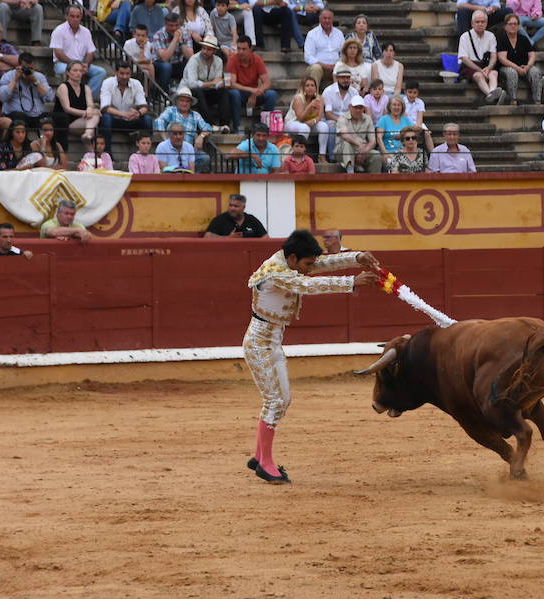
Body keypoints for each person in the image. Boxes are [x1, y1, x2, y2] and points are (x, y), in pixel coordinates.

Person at [243, 229, 379, 484]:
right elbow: (307, 284)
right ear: (292, 258)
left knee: (278, 400)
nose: (309, 268)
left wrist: (357, 257)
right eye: (306, 264)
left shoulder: (290, 261)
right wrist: (351, 282)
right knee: (277, 400)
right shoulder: (276, 271)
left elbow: (322, 262)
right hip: (260, 343)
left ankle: (260, 456)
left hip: (270, 340)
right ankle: (265, 463)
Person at [49, 4, 107, 97]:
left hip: (81, 63)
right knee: (70, 70)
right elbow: (58, 53)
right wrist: (74, 64)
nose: (75, 19)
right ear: (66, 16)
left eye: (78, 16)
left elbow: (90, 52)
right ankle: (70, 97)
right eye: (72, 16)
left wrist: (86, 64)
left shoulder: (86, 32)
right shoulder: (59, 30)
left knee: (101, 72)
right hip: (63, 63)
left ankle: (86, 97)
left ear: (81, 17)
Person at [154, 87, 212, 172]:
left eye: (187, 101)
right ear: (177, 101)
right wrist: (165, 138)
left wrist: (201, 136)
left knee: (205, 158)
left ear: (191, 103)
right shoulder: (171, 111)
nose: (185, 103)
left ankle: (192, 177)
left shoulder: (195, 115)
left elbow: (208, 127)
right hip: (171, 148)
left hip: (189, 149)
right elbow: (159, 121)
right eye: (182, 100)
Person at [100, 62, 153, 155]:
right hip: (115, 120)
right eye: (122, 73)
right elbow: (105, 108)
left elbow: (144, 107)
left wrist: (138, 113)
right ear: (116, 72)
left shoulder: (136, 84)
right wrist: (124, 114)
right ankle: (106, 153)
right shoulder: (107, 83)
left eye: (127, 74)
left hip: (132, 119)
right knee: (106, 118)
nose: (125, 76)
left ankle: (146, 152)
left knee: (147, 119)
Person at [228, 37, 278, 134]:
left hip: (255, 94)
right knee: (234, 93)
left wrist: (255, 93)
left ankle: (264, 128)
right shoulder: (233, 60)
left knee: (271, 94)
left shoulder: (257, 59)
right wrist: (251, 90)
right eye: (238, 49)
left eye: (244, 49)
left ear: (250, 49)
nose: (240, 52)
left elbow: (267, 83)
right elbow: (232, 84)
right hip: (240, 94)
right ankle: (237, 128)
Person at [181, 34, 231, 127]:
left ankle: (225, 124)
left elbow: (217, 82)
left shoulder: (218, 61)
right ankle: (210, 124)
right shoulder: (194, 59)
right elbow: (192, 84)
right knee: (199, 91)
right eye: (203, 48)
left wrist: (221, 84)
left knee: (223, 91)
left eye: (208, 49)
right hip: (189, 93)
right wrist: (212, 83)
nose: (204, 51)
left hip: (206, 92)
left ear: (214, 51)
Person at [51, 61, 101, 152]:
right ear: (68, 72)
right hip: (67, 121)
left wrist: (90, 109)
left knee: (95, 114)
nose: (78, 73)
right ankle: (90, 147)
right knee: (93, 122)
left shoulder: (86, 88)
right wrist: (86, 112)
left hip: (82, 120)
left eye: (80, 71)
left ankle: (87, 136)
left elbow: (90, 104)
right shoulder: (63, 87)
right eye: (75, 70)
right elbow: (67, 108)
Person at [0, 52, 53, 131]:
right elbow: (3, 97)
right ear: (18, 66)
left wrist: (36, 82)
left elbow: (49, 98)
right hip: (16, 115)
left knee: (57, 118)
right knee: (21, 117)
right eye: (25, 68)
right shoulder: (8, 76)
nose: (28, 71)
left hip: (36, 115)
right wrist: (15, 80)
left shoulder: (39, 77)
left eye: (31, 68)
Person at [459, 11, 504, 105]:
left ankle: (492, 92)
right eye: (477, 22)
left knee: (494, 73)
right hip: (470, 66)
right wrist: (479, 69)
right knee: (478, 76)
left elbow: (493, 55)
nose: (480, 24)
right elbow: (464, 58)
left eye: (482, 22)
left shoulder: (491, 36)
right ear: (472, 23)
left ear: (486, 23)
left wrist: (489, 67)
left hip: (485, 65)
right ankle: (492, 95)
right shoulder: (465, 37)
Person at [497, 14, 542, 106]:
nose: (513, 26)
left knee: (535, 71)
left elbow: (532, 54)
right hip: (507, 67)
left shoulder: (524, 39)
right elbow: (502, 59)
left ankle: (537, 100)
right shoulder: (502, 39)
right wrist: (517, 68)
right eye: (510, 24)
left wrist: (528, 66)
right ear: (505, 26)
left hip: (524, 66)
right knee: (511, 72)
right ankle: (513, 99)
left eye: (515, 24)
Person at [285, 75, 328, 162]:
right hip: (294, 122)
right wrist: (310, 106)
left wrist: (314, 120)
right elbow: (300, 118)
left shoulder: (319, 98)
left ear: (316, 88)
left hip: (310, 123)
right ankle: (300, 155)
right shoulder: (298, 98)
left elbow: (319, 116)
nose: (310, 88)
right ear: (303, 88)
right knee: (305, 128)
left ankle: (322, 155)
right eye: (307, 86)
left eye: (312, 85)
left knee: (324, 126)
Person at [335, 96, 381, 174]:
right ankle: (350, 172)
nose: (358, 110)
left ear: (364, 108)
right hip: (344, 150)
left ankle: (374, 181)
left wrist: (364, 151)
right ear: (350, 107)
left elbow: (373, 141)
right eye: (355, 107)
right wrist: (359, 144)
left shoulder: (368, 119)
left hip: (362, 149)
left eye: (360, 107)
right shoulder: (342, 117)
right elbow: (345, 135)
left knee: (377, 155)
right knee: (346, 144)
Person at [322, 68, 358, 162]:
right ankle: (332, 158)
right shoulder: (328, 91)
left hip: (349, 119)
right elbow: (328, 114)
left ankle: (354, 157)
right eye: (343, 78)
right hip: (332, 119)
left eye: (347, 78)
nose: (345, 80)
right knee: (332, 128)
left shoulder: (354, 92)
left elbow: (356, 111)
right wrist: (342, 120)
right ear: (337, 78)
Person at [153, 12, 195, 92]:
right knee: (166, 66)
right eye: (171, 25)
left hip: (178, 64)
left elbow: (191, 57)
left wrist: (181, 42)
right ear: (165, 25)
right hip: (160, 65)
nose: (174, 28)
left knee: (191, 63)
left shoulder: (185, 33)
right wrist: (175, 40)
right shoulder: (158, 35)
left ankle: (188, 92)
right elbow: (164, 58)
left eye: (176, 25)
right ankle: (163, 95)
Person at [304, 9, 344, 90]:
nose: (327, 21)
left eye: (329, 18)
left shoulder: (339, 34)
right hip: (319, 67)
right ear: (320, 19)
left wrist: (336, 64)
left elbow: (343, 54)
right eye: (324, 18)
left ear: (332, 19)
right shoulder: (312, 34)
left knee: (345, 67)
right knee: (316, 68)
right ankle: (313, 96)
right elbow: (308, 57)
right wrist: (324, 65)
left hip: (335, 67)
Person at [375, 94, 413, 162]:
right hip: (388, 152)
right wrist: (384, 152)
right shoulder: (383, 119)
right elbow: (379, 138)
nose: (396, 107)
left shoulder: (406, 120)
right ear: (389, 106)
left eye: (399, 105)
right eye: (394, 105)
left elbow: (414, 132)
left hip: (404, 152)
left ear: (402, 107)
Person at [123, 24, 157, 88]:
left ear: (146, 36)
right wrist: (141, 61)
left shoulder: (148, 44)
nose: (140, 38)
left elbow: (147, 60)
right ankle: (153, 88)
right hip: (130, 66)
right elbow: (128, 61)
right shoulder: (128, 43)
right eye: (138, 35)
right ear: (134, 34)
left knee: (146, 71)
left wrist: (142, 49)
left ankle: (147, 94)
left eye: (143, 35)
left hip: (142, 66)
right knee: (150, 67)